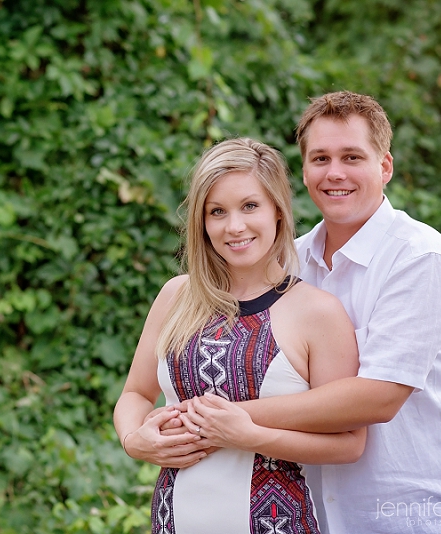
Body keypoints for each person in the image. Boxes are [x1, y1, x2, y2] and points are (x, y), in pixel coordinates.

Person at [174, 91, 441, 533]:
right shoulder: (288, 263)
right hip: (319, 515)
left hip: (415, 512)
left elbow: (379, 397)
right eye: (320, 158)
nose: (335, 173)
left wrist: (225, 417)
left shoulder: (419, 257)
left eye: (352, 157)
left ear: (385, 167)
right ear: (303, 171)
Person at [113, 138, 366, 534]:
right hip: (172, 521)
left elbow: (350, 443)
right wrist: (134, 439)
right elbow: (136, 394)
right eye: (217, 211)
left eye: (250, 206)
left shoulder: (318, 312)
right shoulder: (176, 296)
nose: (234, 226)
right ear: (202, 221)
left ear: (278, 212)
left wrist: (252, 436)